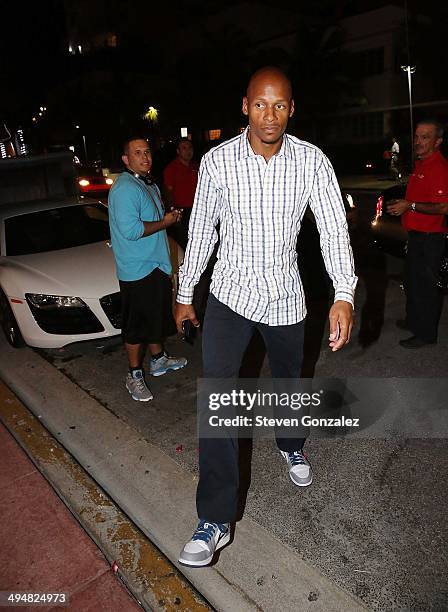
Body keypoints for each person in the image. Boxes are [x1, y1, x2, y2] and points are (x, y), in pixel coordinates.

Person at [174, 67, 357, 567]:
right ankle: (215, 518)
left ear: (292, 109)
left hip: (285, 296)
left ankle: (291, 443)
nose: (269, 115)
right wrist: (185, 292)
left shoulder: (312, 163)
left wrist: (343, 294)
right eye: (260, 104)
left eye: (279, 106)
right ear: (245, 105)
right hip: (230, 295)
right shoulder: (216, 163)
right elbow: (203, 235)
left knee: (290, 378)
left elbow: (332, 232)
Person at [108, 137, 187, 402]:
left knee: (154, 317)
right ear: (126, 159)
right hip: (137, 269)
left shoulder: (145, 182)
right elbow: (131, 231)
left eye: (147, 151)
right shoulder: (125, 188)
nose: (145, 157)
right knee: (136, 326)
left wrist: (169, 218)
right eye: (137, 153)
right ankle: (134, 374)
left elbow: (152, 219)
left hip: (153, 264)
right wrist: (165, 223)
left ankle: (158, 359)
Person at [387, 120, 448, 348]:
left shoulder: (439, 167)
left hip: (430, 238)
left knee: (426, 288)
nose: (418, 142)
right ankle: (414, 321)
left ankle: (426, 334)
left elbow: (443, 207)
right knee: (412, 283)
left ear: (437, 141)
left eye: (425, 137)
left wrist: (409, 206)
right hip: (416, 236)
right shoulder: (421, 164)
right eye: (417, 136)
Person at [163, 138, 199, 250]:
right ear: (178, 151)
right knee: (185, 244)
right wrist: (174, 212)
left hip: (197, 210)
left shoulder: (196, 166)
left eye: (190, 148)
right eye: (184, 148)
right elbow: (168, 193)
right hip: (182, 211)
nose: (188, 151)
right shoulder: (171, 168)